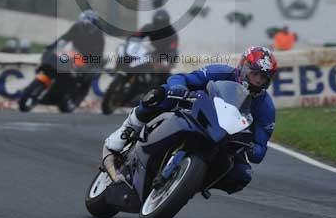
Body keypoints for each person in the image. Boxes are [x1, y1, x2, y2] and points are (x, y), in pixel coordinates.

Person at [105, 46, 277, 195]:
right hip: (199, 114)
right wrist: (178, 88)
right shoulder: (220, 72)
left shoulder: (266, 108)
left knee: (242, 175)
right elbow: (182, 78)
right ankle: (128, 128)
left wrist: (252, 147)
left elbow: (260, 149)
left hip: (227, 139)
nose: (257, 80)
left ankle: (190, 184)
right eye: (255, 74)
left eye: (263, 78)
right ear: (243, 67)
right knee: (161, 94)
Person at [131, 9, 179, 84]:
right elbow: (136, 36)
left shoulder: (172, 34)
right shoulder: (148, 28)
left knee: (164, 79)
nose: (159, 26)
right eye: (158, 23)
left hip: (165, 57)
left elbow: (173, 51)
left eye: (162, 23)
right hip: (151, 54)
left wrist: (166, 64)